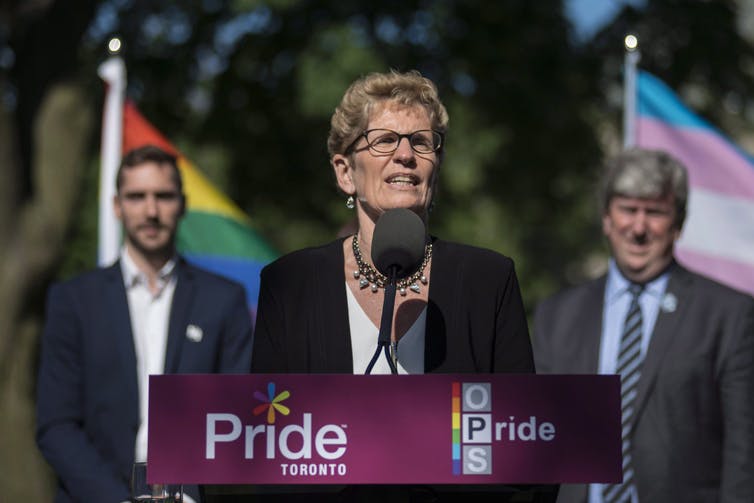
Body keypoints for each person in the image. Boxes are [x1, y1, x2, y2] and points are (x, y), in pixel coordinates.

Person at [251, 70, 536, 500]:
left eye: (421, 142)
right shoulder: (290, 285)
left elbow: (527, 443)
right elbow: (265, 451)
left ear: (435, 170)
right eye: (384, 140)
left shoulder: (488, 280)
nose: (405, 154)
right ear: (345, 172)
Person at [533, 148, 754, 503]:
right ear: (607, 218)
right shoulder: (557, 316)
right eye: (628, 210)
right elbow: (532, 436)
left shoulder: (729, 316)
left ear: (678, 224)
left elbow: (744, 452)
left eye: (655, 212)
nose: (639, 227)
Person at [36, 145, 254, 503]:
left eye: (163, 196)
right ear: (117, 206)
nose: (151, 211)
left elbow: (239, 416)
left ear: (182, 205)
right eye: (137, 197)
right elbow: (56, 426)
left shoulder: (224, 300)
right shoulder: (73, 300)